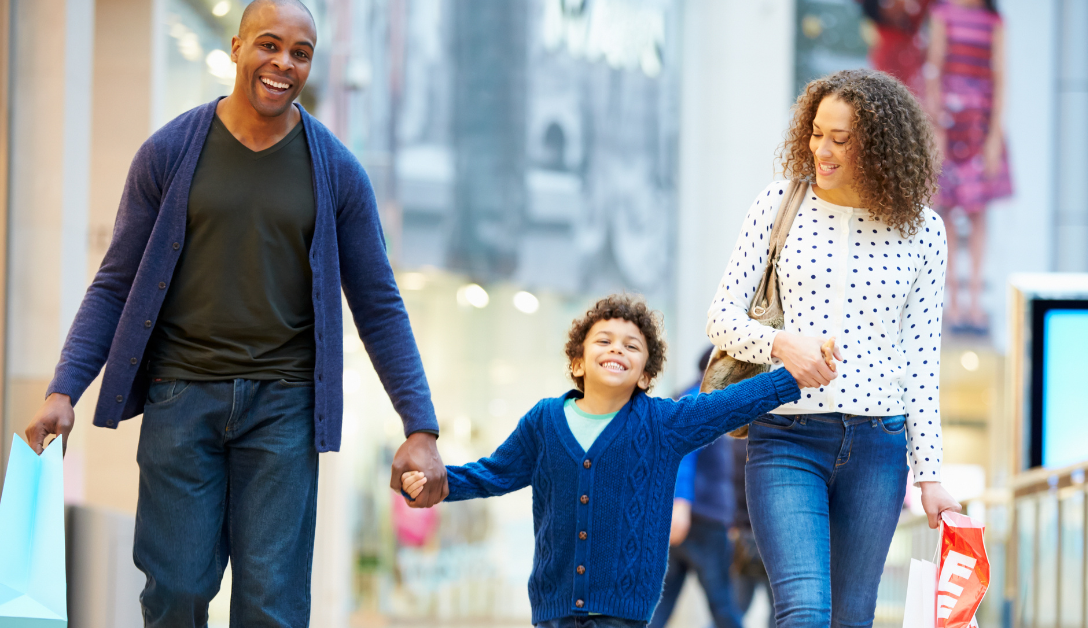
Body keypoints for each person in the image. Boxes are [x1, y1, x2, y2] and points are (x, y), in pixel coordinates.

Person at [22, 1, 446, 625]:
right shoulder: (169, 154)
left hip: (284, 409)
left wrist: (421, 426)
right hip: (180, 401)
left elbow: (380, 306)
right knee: (175, 591)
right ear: (236, 47)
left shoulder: (338, 174)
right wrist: (65, 389)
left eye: (300, 53)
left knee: (271, 603)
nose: (283, 64)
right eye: (269, 46)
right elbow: (116, 283)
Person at [705, 69, 961, 627]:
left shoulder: (925, 231)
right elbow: (720, 321)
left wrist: (931, 475)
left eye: (841, 139)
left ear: (880, 146)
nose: (822, 149)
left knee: (851, 617)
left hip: (880, 445)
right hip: (787, 437)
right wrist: (779, 343)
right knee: (804, 610)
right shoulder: (778, 204)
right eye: (817, 132)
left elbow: (920, 360)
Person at [401, 295, 804, 628]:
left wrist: (793, 376)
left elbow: (728, 405)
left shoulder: (663, 423)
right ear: (577, 362)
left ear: (646, 376)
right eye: (604, 341)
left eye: (632, 346)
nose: (617, 349)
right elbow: (494, 473)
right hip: (553, 611)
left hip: (623, 615)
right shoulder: (544, 421)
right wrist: (435, 483)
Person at [925, 0, 1011, 334]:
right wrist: (937, 128)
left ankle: (974, 300)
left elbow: (1000, 79)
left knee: (977, 213)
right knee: (944, 212)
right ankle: (952, 300)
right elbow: (934, 70)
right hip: (949, 123)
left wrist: (993, 135)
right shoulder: (942, 15)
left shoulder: (993, 21)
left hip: (980, 123)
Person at [650, 350, 740, 628]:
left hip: (692, 518)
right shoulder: (700, 400)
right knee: (722, 604)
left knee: (659, 605)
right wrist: (680, 504)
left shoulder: (695, 398)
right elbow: (684, 456)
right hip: (699, 519)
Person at [728, 438, 774, 628]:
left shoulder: (734, 445)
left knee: (736, 607)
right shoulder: (771, 444)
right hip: (771, 537)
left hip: (743, 535)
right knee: (781, 610)